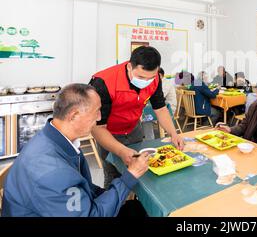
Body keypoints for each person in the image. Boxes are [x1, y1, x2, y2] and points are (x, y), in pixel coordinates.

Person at [1, 84, 150, 217]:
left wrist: (114, 193)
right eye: (97, 111)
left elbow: (85, 190)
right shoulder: (53, 172)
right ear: (74, 115)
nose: (99, 117)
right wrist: (130, 175)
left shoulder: (53, 138)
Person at [89, 46, 183, 188]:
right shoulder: (103, 82)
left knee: (141, 173)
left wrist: (173, 133)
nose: (146, 81)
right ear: (129, 67)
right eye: (140, 77)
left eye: (151, 77)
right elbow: (97, 128)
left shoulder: (155, 78)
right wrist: (121, 151)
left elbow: (161, 109)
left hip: (134, 129)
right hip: (109, 134)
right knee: (114, 175)